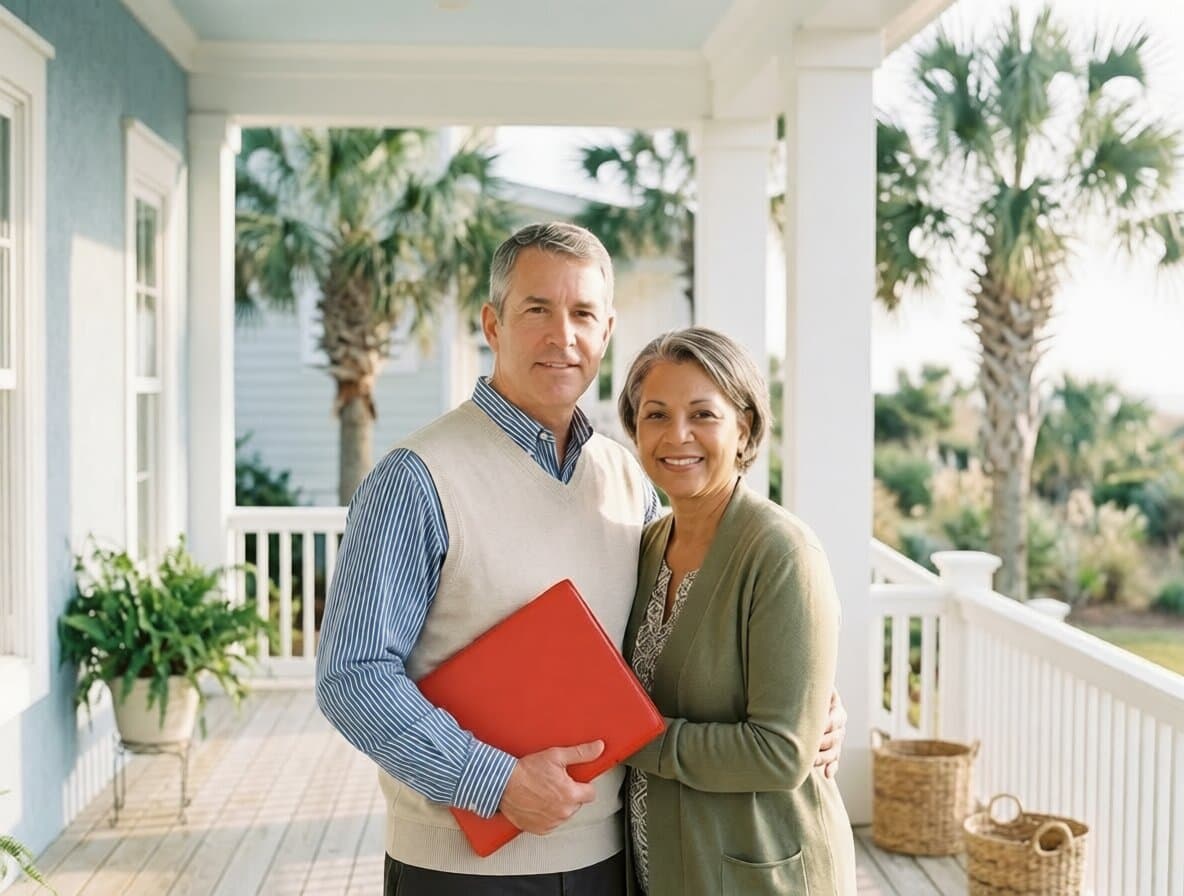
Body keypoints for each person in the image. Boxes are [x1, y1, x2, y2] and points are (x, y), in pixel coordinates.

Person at [315, 223, 846, 896]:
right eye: (537, 309)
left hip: (612, 859)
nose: (562, 336)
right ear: (492, 323)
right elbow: (352, 676)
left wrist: (808, 704)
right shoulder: (416, 478)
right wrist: (497, 782)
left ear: (607, 330)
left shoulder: (628, 481)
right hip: (463, 870)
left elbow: (680, 632)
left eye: (583, 314)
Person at [617, 327, 858, 896]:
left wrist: (629, 738)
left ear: (743, 425)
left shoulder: (781, 553)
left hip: (761, 872)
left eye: (703, 414)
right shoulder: (648, 544)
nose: (678, 436)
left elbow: (780, 752)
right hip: (669, 868)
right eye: (656, 415)